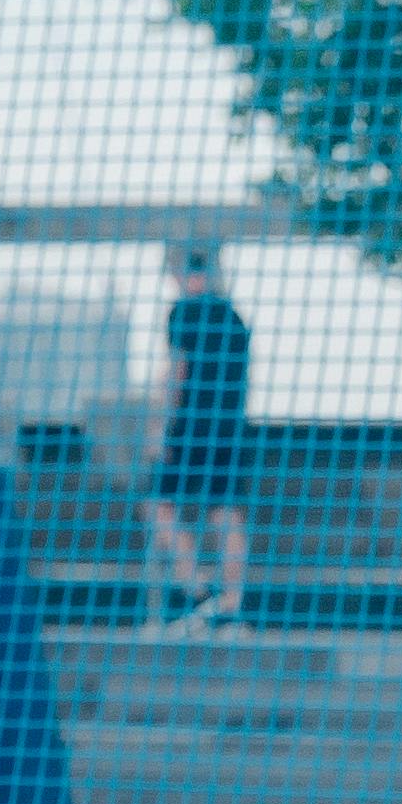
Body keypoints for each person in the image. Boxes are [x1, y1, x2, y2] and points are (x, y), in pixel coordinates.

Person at [143, 229, 254, 625]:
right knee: (225, 513)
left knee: (158, 506)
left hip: (189, 430)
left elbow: (177, 374)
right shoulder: (234, 317)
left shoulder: (184, 313)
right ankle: (231, 605)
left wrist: (159, 431)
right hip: (229, 429)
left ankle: (198, 590)